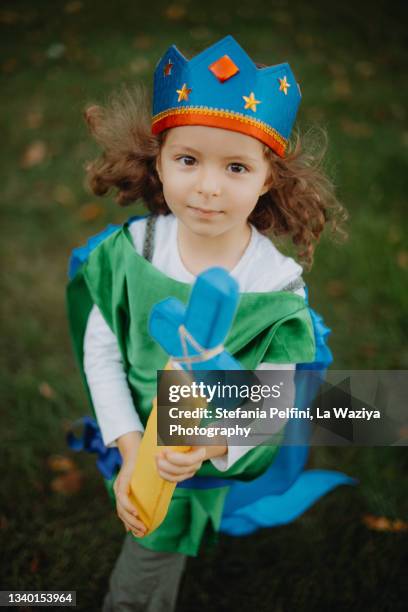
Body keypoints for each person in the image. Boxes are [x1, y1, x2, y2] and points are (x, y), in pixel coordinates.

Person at [66, 35, 349, 611]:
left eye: (237, 166)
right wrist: (127, 448)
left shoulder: (275, 291)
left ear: (268, 178)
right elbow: (104, 352)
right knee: (148, 526)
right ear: (160, 159)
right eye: (188, 159)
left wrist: (208, 446)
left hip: (204, 445)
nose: (208, 186)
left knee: (141, 574)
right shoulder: (132, 253)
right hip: (136, 432)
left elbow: (273, 404)